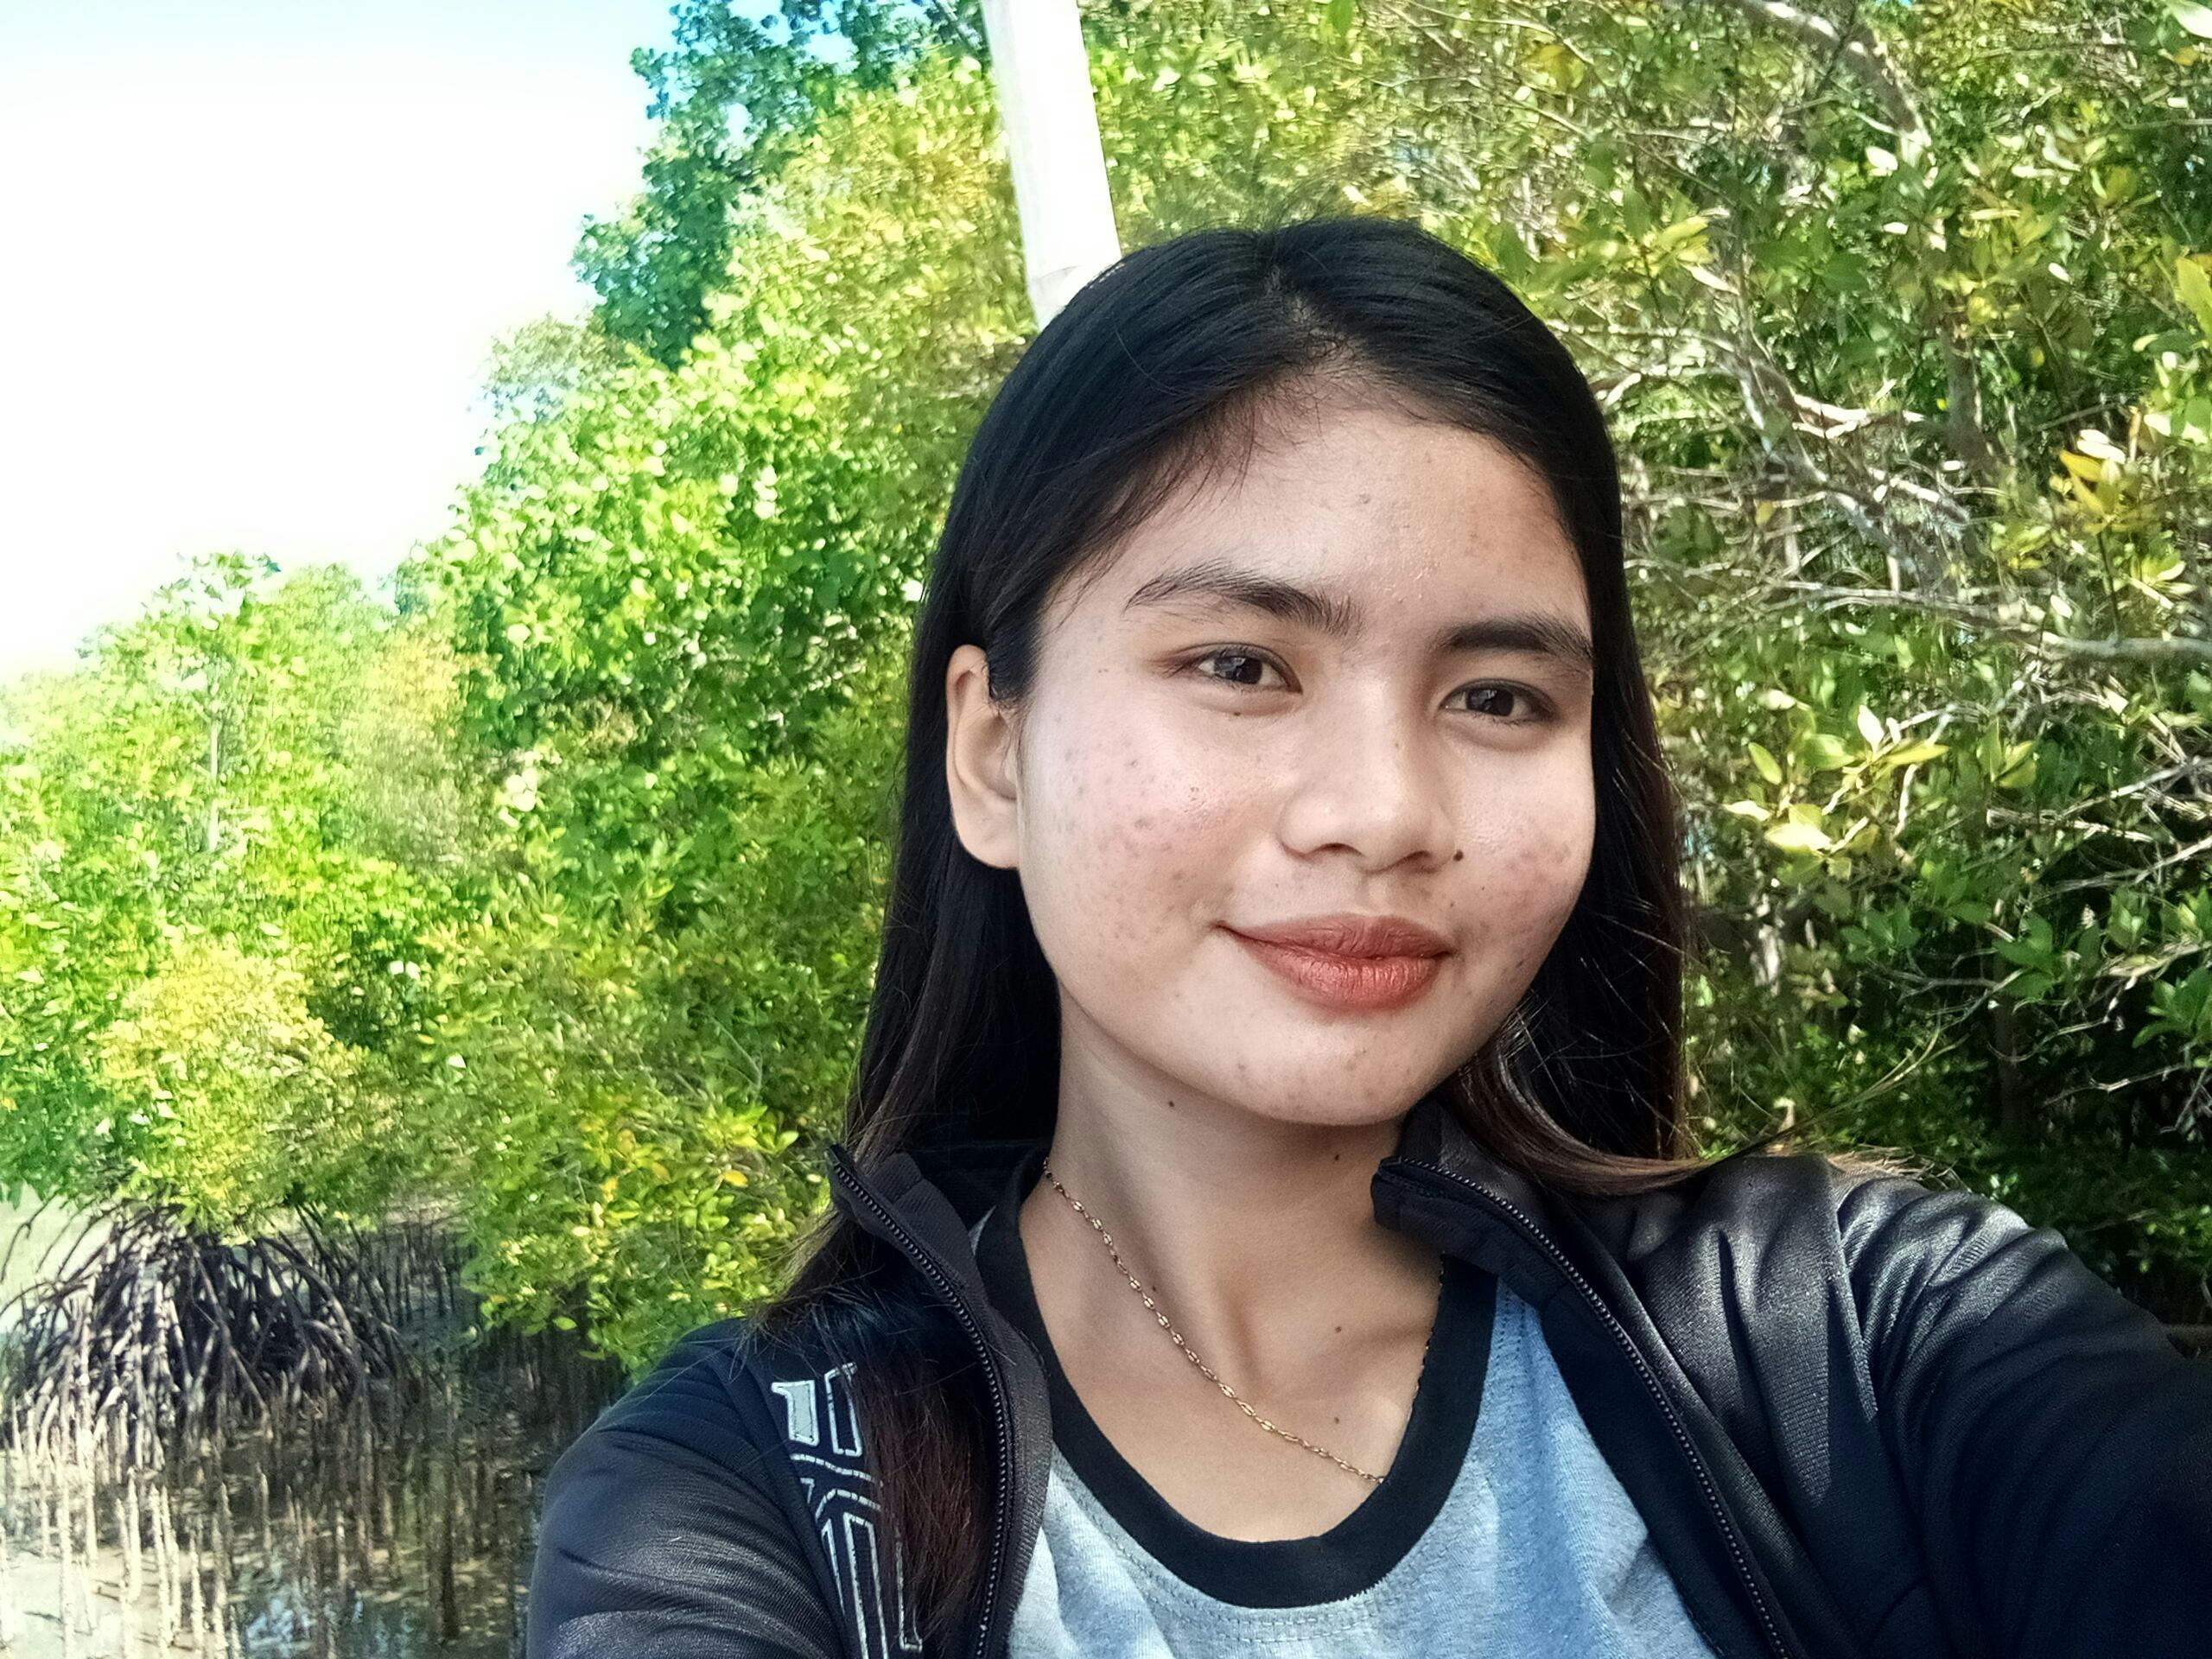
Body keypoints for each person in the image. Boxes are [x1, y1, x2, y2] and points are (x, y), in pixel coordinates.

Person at [524, 213, 2212, 1659]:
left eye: (1498, 695)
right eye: (1241, 664)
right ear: (991, 754)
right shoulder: (757, 1499)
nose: (1385, 810)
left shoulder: (1861, 1344)